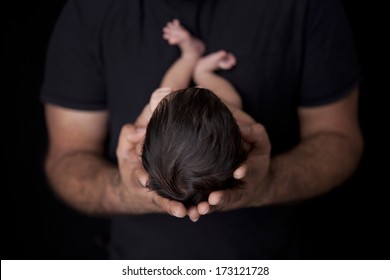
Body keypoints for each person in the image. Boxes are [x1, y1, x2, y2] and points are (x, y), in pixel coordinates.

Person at [40, 0, 363, 259]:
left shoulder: (309, 7)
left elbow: (340, 139)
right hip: (142, 254)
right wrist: (125, 191)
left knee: (168, 90)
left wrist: (268, 184)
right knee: (215, 94)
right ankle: (199, 62)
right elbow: (68, 158)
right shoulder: (239, 121)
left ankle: (192, 57)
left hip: (272, 253)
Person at [138, 19, 250, 206]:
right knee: (232, 101)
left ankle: (190, 56)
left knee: (167, 90)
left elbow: (138, 127)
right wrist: (230, 112)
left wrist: (151, 109)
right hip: (226, 111)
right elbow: (247, 130)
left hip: (170, 108)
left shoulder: (149, 131)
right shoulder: (239, 127)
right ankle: (204, 73)